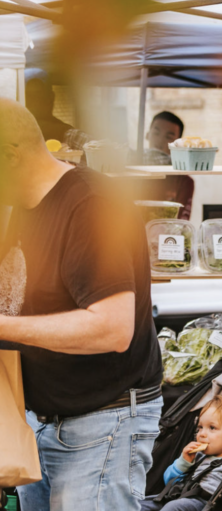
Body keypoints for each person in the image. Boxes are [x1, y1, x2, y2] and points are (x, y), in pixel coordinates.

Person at [0, 98, 163, 511]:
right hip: (43, 424)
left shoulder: (91, 204)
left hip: (102, 425)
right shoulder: (21, 206)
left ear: (9, 155)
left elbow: (111, 328)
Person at [142, 396, 222, 511]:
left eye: (212, 428)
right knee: (139, 504)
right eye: (200, 427)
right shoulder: (199, 456)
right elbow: (169, 482)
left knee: (173, 507)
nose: (201, 434)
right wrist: (184, 462)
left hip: (204, 504)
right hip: (179, 496)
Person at [139, 111, 195, 219]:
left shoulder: (184, 182)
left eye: (168, 137)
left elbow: (181, 224)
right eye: (156, 133)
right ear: (147, 135)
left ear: (177, 145)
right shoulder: (132, 173)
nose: (160, 141)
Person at [23, 68, 74, 143]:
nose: (33, 102)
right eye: (29, 96)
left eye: (39, 96)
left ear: (50, 97)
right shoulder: (16, 133)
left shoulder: (68, 134)